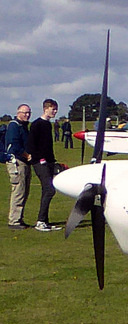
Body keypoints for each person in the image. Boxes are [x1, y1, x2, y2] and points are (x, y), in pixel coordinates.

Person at [28, 98, 62, 231]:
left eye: (56, 109)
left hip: (49, 161)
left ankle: (45, 221)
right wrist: (40, 158)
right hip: (39, 162)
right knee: (49, 189)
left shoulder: (48, 124)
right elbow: (32, 145)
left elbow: (48, 146)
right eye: (53, 109)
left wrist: (53, 161)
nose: (55, 112)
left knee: (48, 189)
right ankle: (40, 221)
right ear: (45, 108)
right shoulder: (37, 124)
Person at [5, 104, 32, 229]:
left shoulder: (23, 126)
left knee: (24, 191)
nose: (27, 115)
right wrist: (26, 155)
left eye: (28, 113)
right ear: (18, 112)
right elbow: (14, 145)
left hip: (24, 162)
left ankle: (19, 218)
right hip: (17, 162)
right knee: (18, 191)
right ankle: (14, 221)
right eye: (24, 112)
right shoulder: (14, 126)